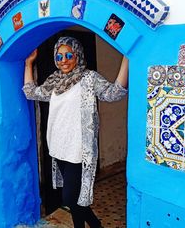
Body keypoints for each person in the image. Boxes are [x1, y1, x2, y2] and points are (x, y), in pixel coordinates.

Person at [23, 36, 128, 228]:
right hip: (58, 146)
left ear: (77, 55)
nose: (64, 60)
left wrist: (127, 59)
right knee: (74, 199)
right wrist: (29, 64)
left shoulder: (89, 78)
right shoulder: (55, 81)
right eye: (60, 56)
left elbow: (114, 93)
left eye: (69, 55)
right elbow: (31, 92)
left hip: (79, 149)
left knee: (71, 197)